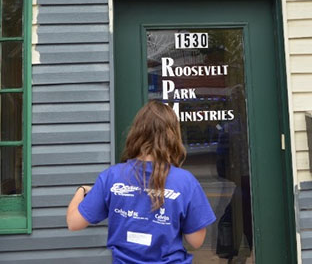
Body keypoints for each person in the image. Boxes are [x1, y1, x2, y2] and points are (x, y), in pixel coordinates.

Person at [66, 100, 216, 263]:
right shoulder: (186, 182)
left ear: (137, 132)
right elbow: (196, 240)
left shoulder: (111, 177)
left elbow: (73, 223)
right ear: (172, 136)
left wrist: (81, 190)